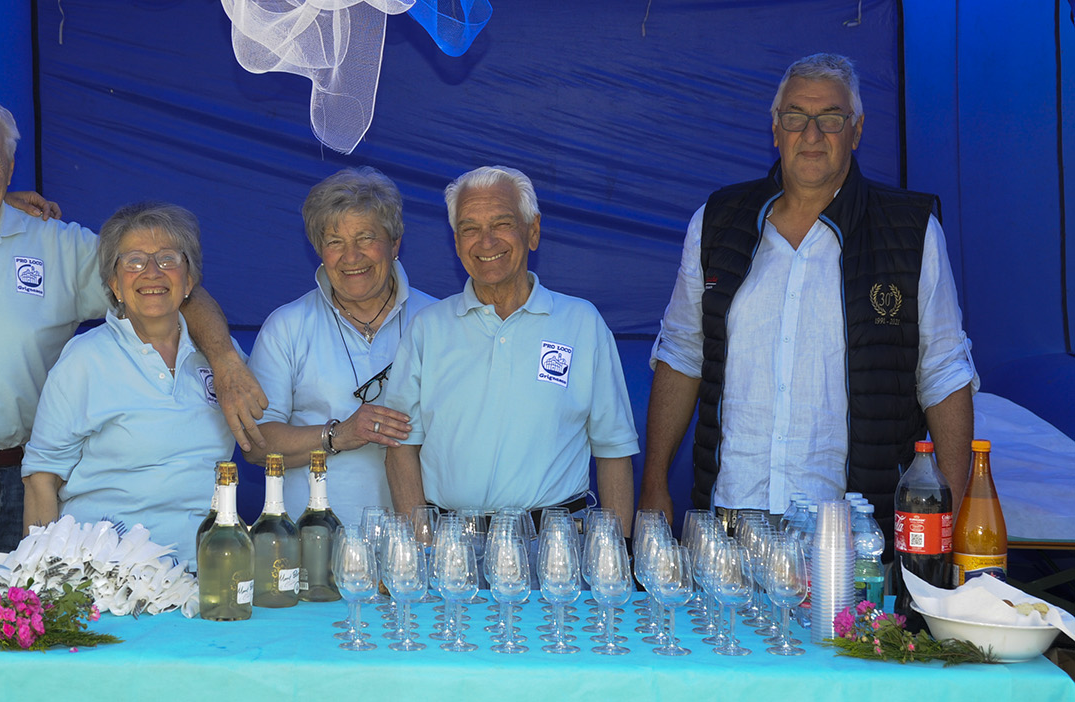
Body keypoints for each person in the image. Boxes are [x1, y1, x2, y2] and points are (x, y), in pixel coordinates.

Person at [0, 94, 265, 554]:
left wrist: (224, 360)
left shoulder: (59, 245)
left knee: (29, 623)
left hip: (29, 480)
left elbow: (169, 285)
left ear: (10, 165)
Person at [638, 53, 977, 530]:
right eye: (796, 116)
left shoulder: (912, 231)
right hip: (730, 524)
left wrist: (955, 514)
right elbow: (681, 355)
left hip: (854, 534)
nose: (811, 134)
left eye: (831, 118)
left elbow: (944, 374)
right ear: (775, 129)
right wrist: (654, 485)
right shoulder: (717, 221)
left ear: (856, 131)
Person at [382, 166, 640, 531]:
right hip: (453, 550)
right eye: (470, 228)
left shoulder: (581, 322)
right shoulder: (427, 329)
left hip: (556, 550)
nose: (486, 242)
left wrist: (616, 553)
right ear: (456, 243)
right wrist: (422, 545)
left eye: (502, 224)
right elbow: (399, 447)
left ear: (533, 231)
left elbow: (613, 450)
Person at [21, 202, 237, 567]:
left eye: (168, 259)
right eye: (133, 261)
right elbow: (41, 478)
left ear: (190, 279)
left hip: (206, 570)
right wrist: (43, 579)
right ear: (114, 284)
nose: (151, 273)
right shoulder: (83, 360)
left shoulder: (224, 362)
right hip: (106, 573)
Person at [245, 167, 436, 520]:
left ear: (395, 243)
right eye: (335, 242)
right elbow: (257, 445)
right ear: (319, 250)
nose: (351, 257)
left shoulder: (438, 320)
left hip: (416, 549)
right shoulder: (286, 326)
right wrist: (338, 435)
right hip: (312, 545)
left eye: (365, 238)